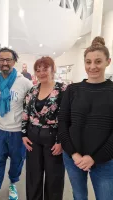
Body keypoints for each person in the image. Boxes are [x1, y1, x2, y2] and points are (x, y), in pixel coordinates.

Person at [59, 36, 113, 200]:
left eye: (98, 61)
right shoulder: (72, 90)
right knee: (79, 196)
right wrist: (74, 154)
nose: (92, 66)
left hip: (104, 160)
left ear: (108, 61)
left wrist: (94, 158)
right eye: (88, 62)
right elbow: (63, 123)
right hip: (73, 158)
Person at [0, 47, 32, 200]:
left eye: (8, 60)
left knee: (17, 161)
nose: (5, 63)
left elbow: (30, 106)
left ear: (14, 61)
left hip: (18, 133)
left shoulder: (25, 83)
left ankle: (13, 183)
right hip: (0, 130)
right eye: (1, 59)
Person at [22, 56, 66, 200]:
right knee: (33, 175)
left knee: (54, 177)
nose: (41, 73)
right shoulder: (32, 90)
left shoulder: (63, 90)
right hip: (33, 136)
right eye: (38, 70)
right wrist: (24, 134)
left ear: (52, 69)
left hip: (53, 138)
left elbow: (67, 118)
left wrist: (61, 141)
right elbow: (25, 113)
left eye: (45, 69)